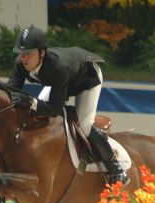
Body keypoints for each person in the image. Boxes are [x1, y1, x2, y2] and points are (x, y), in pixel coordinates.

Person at [7, 26, 129, 185]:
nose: (24, 59)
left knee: (84, 125)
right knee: (34, 113)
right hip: (60, 80)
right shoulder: (21, 64)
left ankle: (116, 168)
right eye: (22, 54)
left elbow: (54, 109)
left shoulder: (59, 67)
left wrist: (30, 101)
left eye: (29, 54)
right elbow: (9, 92)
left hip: (86, 77)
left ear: (42, 53)